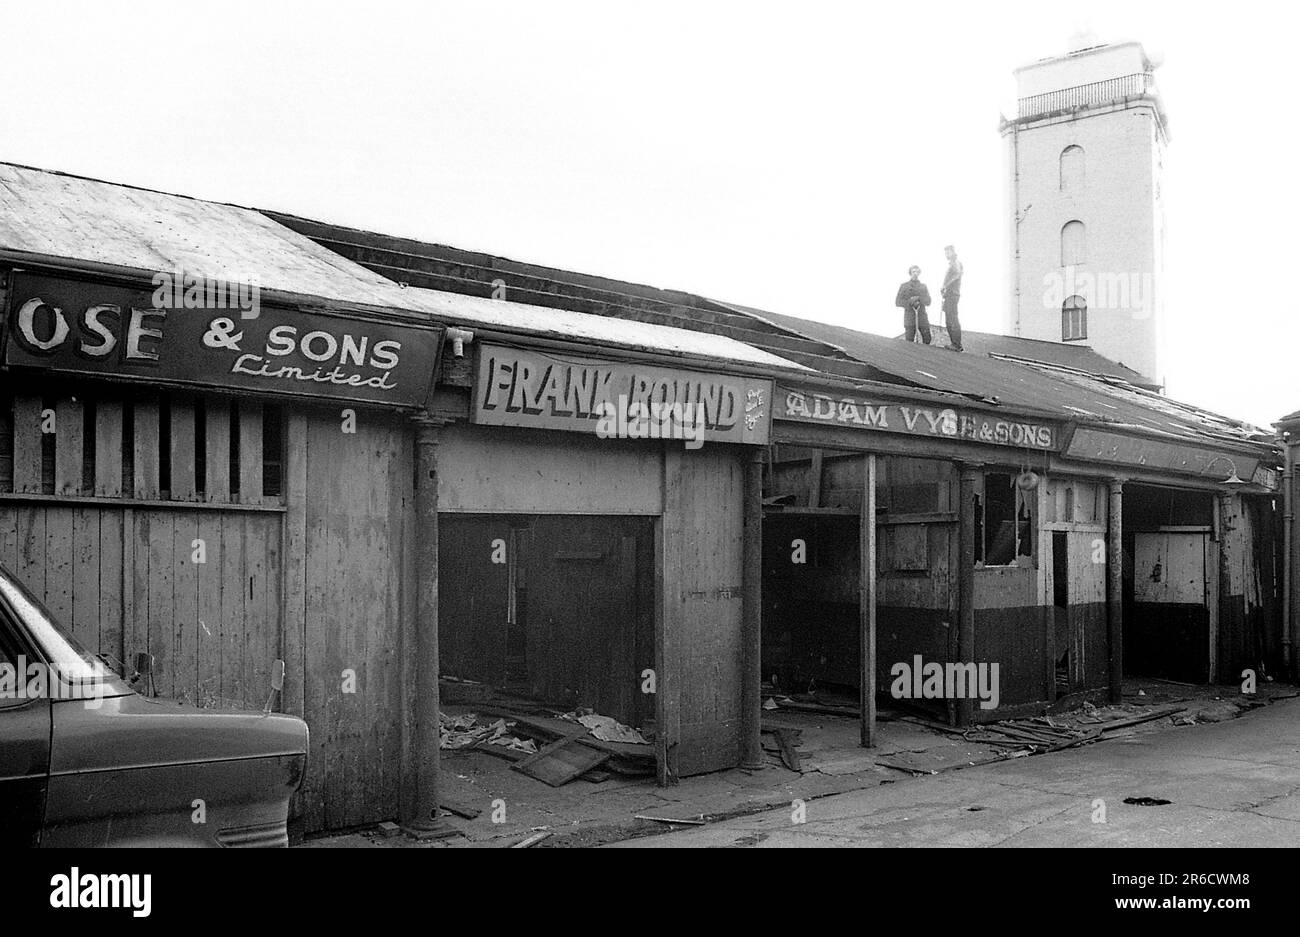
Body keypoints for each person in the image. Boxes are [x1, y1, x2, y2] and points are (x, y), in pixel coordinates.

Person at [895, 265, 932, 344]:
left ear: (919, 273)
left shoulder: (923, 286)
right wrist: (910, 302)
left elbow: (928, 301)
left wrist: (919, 298)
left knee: (927, 337)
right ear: (910, 273)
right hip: (909, 316)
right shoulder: (904, 286)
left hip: (922, 316)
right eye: (913, 272)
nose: (915, 274)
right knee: (909, 341)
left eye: (917, 272)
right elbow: (897, 302)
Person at [941, 244, 963, 352]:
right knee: (949, 319)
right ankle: (954, 343)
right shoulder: (952, 264)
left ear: (953, 252)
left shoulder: (956, 263)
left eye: (948, 252)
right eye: (946, 252)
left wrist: (945, 286)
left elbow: (957, 275)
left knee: (952, 318)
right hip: (949, 295)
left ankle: (956, 344)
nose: (947, 254)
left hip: (952, 295)